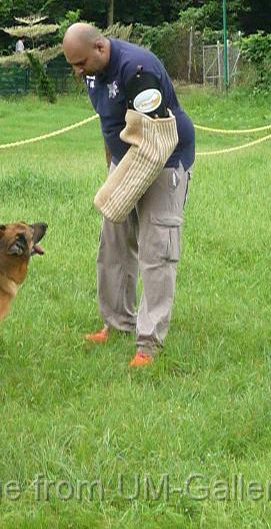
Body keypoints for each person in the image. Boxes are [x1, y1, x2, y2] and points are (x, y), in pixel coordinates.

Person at [61, 23, 194, 368]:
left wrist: (130, 189)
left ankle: (148, 345)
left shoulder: (139, 70)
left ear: (100, 49)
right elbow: (109, 125)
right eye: (72, 65)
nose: (77, 73)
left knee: (156, 247)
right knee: (114, 242)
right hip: (126, 159)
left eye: (80, 64)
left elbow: (155, 139)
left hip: (164, 159)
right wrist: (113, 172)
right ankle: (117, 322)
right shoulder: (93, 72)